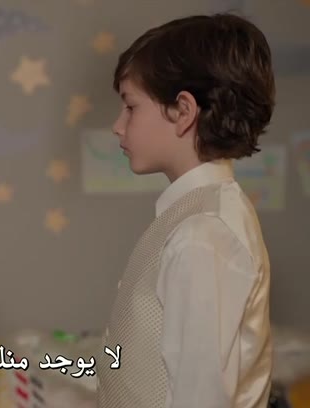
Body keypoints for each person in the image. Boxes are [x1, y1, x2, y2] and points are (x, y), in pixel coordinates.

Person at [96, 13, 275, 408]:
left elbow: (201, 396)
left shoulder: (203, 235)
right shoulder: (192, 219)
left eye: (131, 107)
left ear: (183, 111)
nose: (117, 126)